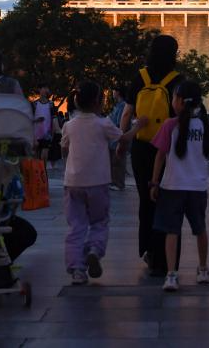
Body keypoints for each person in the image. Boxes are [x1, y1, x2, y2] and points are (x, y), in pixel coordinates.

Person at [118, 35, 183, 277]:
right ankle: (167, 256)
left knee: (146, 199)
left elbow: (127, 113)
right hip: (168, 147)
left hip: (142, 145)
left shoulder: (140, 77)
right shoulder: (177, 80)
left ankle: (149, 251)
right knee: (168, 200)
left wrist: (123, 138)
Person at [61, 80, 129, 285]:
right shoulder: (103, 123)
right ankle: (94, 249)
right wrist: (139, 127)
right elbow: (122, 138)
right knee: (99, 221)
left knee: (76, 225)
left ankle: (77, 270)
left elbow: (64, 148)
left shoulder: (69, 125)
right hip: (98, 181)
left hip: (73, 181)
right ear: (99, 102)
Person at [151, 80, 209, 291]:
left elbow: (160, 155)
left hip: (173, 186)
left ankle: (171, 274)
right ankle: (203, 268)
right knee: (200, 229)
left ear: (179, 101)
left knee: (172, 231)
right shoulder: (203, 125)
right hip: (197, 187)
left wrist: (154, 182)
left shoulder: (170, 125)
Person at [108, 85, 127, 191]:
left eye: (114, 90)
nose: (112, 93)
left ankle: (118, 183)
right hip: (113, 139)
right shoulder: (118, 105)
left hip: (117, 137)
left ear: (118, 92)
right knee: (113, 161)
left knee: (118, 162)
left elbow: (119, 122)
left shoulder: (123, 105)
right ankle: (114, 182)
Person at [32, 84, 55, 166]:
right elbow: (30, 119)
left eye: (45, 88)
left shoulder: (51, 104)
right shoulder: (34, 104)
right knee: (36, 156)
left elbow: (53, 119)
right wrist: (36, 120)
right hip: (36, 134)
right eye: (42, 88)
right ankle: (36, 174)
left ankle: (43, 173)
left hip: (47, 133)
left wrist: (53, 132)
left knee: (44, 156)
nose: (43, 90)